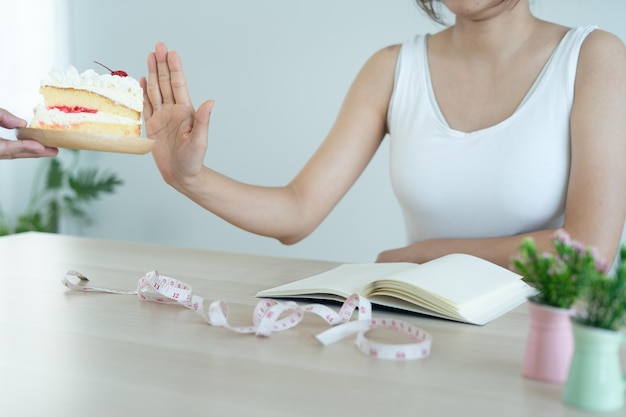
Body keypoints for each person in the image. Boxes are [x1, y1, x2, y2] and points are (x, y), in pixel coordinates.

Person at [141, 0, 626, 268]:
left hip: (549, 350)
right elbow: (297, 210)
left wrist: (426, 255)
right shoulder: (393, 68)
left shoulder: (594, 59)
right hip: (425, 336)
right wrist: (191, 179)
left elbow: (589, 249)